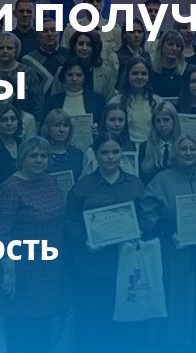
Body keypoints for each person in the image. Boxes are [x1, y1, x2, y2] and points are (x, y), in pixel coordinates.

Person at [140, 135, 196, 348]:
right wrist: (168, 232)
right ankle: (175, 342)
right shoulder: (162, 179)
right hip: (174, 248)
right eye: (183, 149)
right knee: (176, 296)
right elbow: (147, 212)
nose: (188, 153)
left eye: (192, 149)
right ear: (175, 153)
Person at [65, 135, 145, 348]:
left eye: (115, 152)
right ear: (95, 154)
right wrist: (85, 240)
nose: (110, 157)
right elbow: (69, 223)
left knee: (126, 326)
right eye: (105, 152)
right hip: (91, 266)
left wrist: (139, 232)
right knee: (93, 323)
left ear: (122, 154)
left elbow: (144, 217)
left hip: (126, 266)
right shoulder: (82, 186)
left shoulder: (135, 184)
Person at [0, 136, 69, 352]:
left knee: (45, 329)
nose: (39, 160)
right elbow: (0, 235)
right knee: (24, 332)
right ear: (21, 158)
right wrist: (9, 272)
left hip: (52, 267)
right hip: (25, 271)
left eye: (43, 156)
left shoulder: (50, 181)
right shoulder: (9, 189)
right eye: (33, 155)